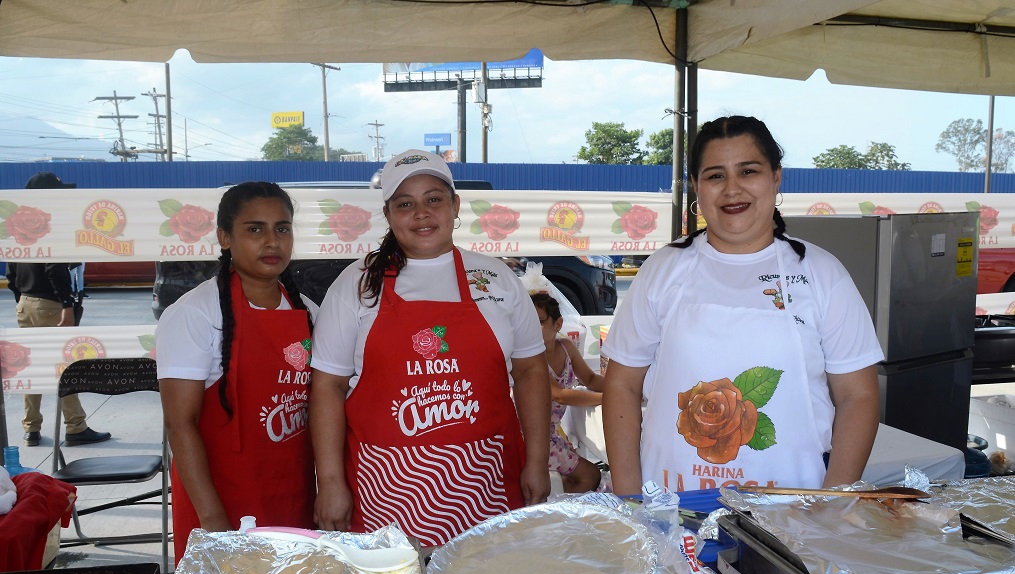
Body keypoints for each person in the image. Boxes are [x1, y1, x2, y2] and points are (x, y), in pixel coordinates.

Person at [602, 116, 884, 495]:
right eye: (715, 175)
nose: (732, 189)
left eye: (748, 171)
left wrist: (831, 505)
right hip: (670, 504)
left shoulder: (821, 274)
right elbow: (621, 384)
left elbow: (858, 395)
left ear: (776, 178)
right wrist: (631, 497)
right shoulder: (663, 269)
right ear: (697, 188)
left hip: (794, 511)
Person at [310, 149, 550, 546]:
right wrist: (331, 482)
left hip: (484, 481)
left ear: (455, 206)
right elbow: (327, 387)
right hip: (385, 486)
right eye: (405, 204)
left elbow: (530, 371)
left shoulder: (495, 279)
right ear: (388, 215)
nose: (421, 213)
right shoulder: (357, 284)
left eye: (434, 199)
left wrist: (537, 462)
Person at [156, 182, 316, 563]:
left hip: (292, 493)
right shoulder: (195, 314)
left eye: (283, 228)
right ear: (225, 237)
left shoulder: (307, 310)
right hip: (222, 501)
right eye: (255, 229)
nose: (272, 241)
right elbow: (180, 425)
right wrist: (214, 523)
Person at [6, 171, 111, 448]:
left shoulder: (19, 229)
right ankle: (75, 427)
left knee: (31, 367)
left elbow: (12, 273)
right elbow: (55, 269)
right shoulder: (50, 227)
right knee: (64, 367)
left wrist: (23, 298)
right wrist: (66, 305)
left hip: (25, 303)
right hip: (50, 305)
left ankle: (31, 428)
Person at [530, 293, 604, 493]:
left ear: (558, 324)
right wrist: (609, 398)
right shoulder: (529, 357)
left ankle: (549, 496)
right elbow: (559, 395)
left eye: (540, 322)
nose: (532, 328)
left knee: (588, 476)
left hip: (550, 434)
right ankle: (543, 495)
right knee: (591, 475)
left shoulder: (566, 347)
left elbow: (590, 379)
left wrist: (619, 387)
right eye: (528, 322)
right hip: (530, 437)